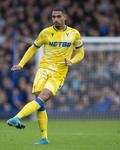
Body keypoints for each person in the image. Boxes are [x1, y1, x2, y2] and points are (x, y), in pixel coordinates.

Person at [7, 7, 84, 145]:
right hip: (43, 70)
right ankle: (44, 138)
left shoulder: (74, 34)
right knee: (39, 99)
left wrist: (71, 61)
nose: (55, 19)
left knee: (43, 98)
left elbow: (80, 53)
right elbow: (33, 48)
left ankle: (17, 117)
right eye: (53, 17)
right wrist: (21, 64)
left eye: (59, 16)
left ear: (65, 17)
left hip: (58, 73)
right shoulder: (45, 32)